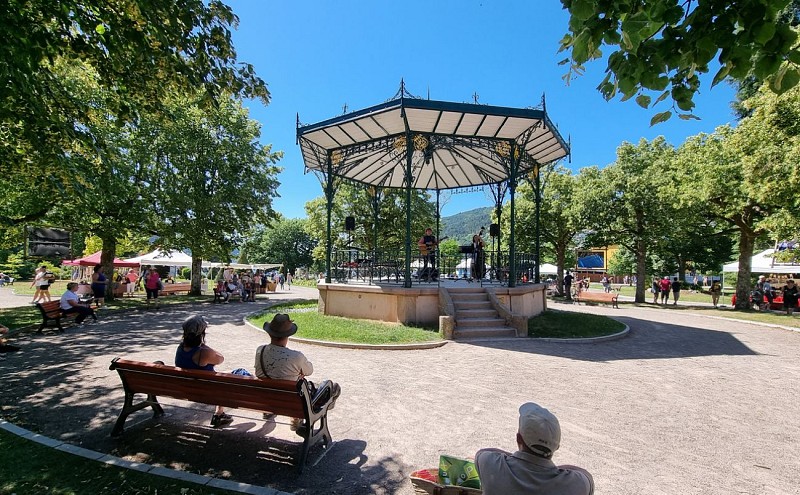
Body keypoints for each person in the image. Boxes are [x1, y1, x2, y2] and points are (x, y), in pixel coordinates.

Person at [475, 402, 594, 495]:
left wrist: (521, 461)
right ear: (556, 447)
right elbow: (585, 475)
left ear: (518, 438)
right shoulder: (578, 484)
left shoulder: (489, 463)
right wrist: (543, 468)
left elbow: (483, 452)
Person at [255, 314, 341, 429]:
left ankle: (269, 410)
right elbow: (309, 371)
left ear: (270, 334)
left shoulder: (260, 350)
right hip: (293, 401)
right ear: (287, 335)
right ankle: (296, 416)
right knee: (333, 387)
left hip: (266, 398)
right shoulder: (296, 356)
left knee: (286, 385)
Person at [174, 315, 232, 427]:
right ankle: (219, 414)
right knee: (237, 374)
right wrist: (204, 345)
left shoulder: (180, 348)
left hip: (186, 389)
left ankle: (219, 413)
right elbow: (221, 359)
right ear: (202, 333)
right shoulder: (203, 353)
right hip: (208, 390)